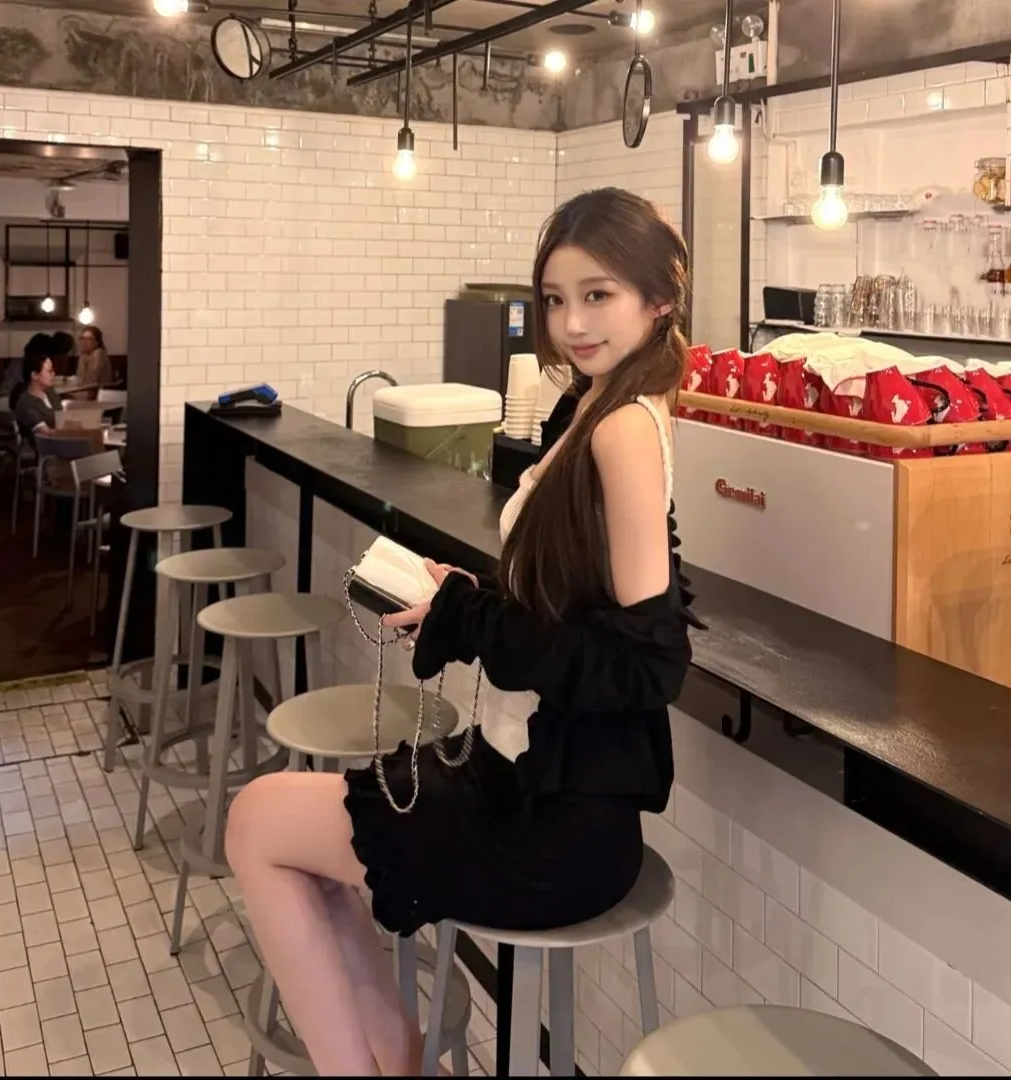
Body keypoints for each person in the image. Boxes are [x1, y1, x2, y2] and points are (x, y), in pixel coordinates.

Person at [223, 187, 696, 1076]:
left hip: (558, 832)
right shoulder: (596, 405)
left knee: (257, 824)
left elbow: (647, 665)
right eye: (555, 299)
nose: (572, 322)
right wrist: (471, 598)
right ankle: (392, 1060)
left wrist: (470, 620)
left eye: (598, 295)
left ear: (659, 298)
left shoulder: (624, 428)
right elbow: (582, 607)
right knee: (275, 830)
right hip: (536, 788)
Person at [11, 351, 63, 439]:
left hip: (62, 441)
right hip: (41, 444)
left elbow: (62, 419)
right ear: (34, 375)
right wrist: (70, 432)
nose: (53, 374)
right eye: (49, 371)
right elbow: (45, 432)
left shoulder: (52, 394)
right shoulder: (26, 402)